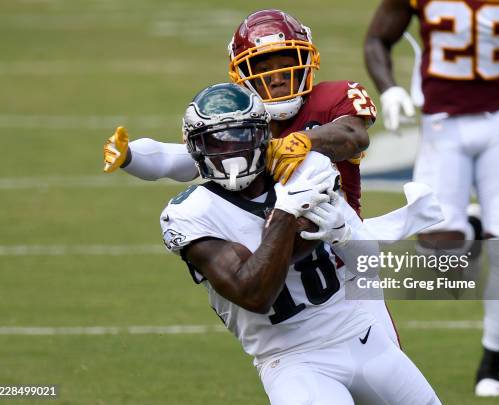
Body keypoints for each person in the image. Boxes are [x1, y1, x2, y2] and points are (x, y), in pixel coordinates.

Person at [103, 9, 406, 346]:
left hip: (344, 254)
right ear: (243, 74)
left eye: (285, 64)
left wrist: (307, 139)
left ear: (308, 60)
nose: (277, 77)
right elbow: (182, 159)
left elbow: (353, 134)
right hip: (277, 265)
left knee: (385, 371)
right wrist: (130, 156)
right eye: (263, 68)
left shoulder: (331, 99)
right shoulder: (239, 122)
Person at [161, 81, 441, 404]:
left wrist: (343, 233)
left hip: (359, 333)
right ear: (195, 147)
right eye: (216, 142)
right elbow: (255, 292)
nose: (232, 152)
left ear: (263, 136)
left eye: (241, 136)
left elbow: (368, 262)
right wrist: (286, 211)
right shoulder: (190, 213)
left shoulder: (307, 167)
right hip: (292, 360)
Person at [364, 0, 499, 397]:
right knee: (437, 252)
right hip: (441, 125)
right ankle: (473, 226)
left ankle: (491, 364)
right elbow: (377, 38)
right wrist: (391, 89)